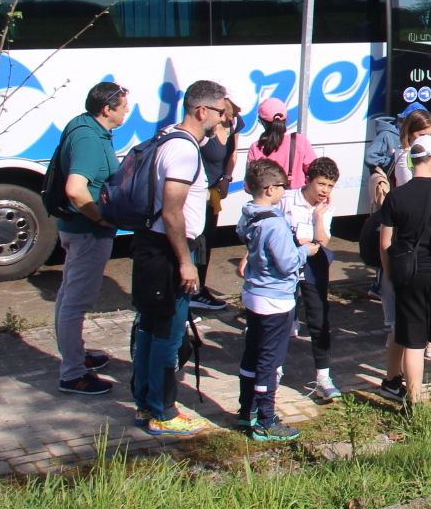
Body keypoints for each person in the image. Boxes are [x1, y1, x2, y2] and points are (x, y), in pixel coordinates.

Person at [130, 78, 226, 439]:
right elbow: (172, 211)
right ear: (202, 110)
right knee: (167, 337)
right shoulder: (184, 151)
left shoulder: (167, 135)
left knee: (150, 332)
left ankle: (146, 403)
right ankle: (163, 412)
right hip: (168, 251)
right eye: (219, 112)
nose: (221, 120)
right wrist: (186, 262)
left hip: (152, 246)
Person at [48, 81, 132, 395]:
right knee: (75, 302)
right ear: (107, 109)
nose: (127, 111)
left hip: (77, 231)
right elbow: (75, 188)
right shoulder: (88, 139)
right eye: (123, 106)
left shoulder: (85, 126)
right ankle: (72, 373)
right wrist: (101, 216)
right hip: (87, 233)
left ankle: (76, 354)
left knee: (68, 295)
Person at [375, 136, 431, 417]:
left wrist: (391, 275)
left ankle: (413, 403)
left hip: (410, 274)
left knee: (413, 340)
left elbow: (385, 243)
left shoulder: (396, 195)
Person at [235, 158, 303, 442]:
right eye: (283, 187)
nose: (285, 192)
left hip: (253, 294)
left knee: (252, 353)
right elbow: (287, 263)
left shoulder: (248, 214)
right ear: (271, 189)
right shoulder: (275, 223)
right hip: (275, 299)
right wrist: (305, 252)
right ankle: (266, 420)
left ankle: (245, 409)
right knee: (270, 361)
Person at [279, 155, 340, 404]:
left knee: (319, 319)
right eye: (321, 184)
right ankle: (274, 371)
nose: (324, 191)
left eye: (330, 186)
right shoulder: (286, 200)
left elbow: (322, 241)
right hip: (286, 266)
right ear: (308, 181)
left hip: (314, 266)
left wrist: (317, 217)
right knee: (282, 320)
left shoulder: (325, 207)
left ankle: (323, 377)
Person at [193, 95, 241, 306]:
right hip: (197, 192)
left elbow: (232, 153)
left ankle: (199, 289)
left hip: (213, 192)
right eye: (224, 117)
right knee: (195, 239)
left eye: (230, 118)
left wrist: (227, 178)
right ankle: (191, 290)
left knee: (208, 239)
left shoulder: (235, 123)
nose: (228, 121)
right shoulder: (205, 130)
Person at [247, 98, 316, 193]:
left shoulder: (255, 147)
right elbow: (316, 174)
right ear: (286, 118)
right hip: (297, 203)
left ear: (262, 121)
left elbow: (249, 187)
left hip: (268, 204)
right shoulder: (299, 141)